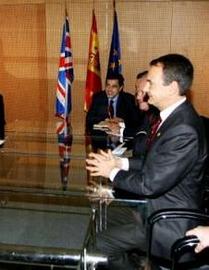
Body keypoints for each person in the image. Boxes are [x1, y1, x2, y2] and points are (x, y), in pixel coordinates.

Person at [86, 54, 207, 269]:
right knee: (98, 218)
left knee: (96, 245)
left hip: (166, 221)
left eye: (150, 82)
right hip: (150, 207)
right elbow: (153, 163)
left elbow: (150, 184)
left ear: (172, 87)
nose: (145, 88)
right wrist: (120, 163)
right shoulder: (170, 117)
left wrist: (111, 172)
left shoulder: (183, 129)